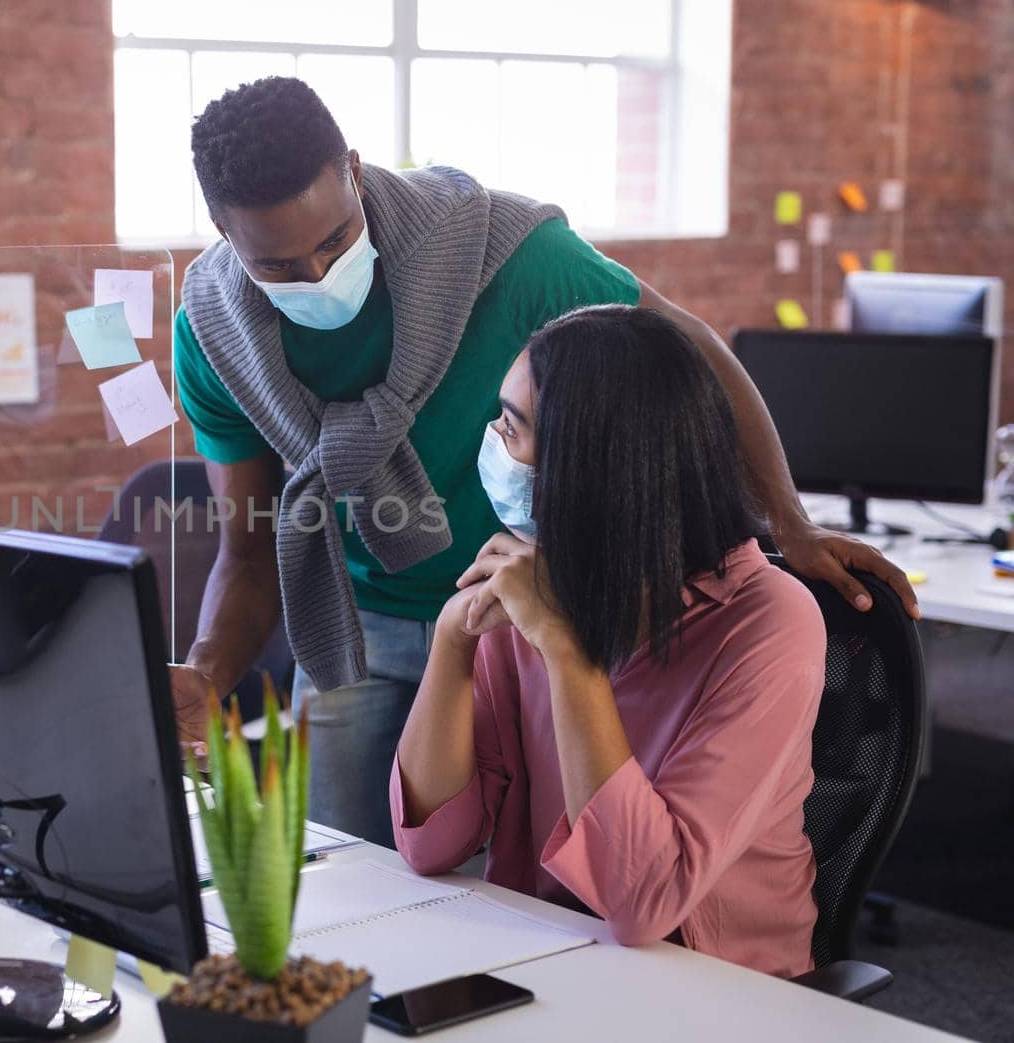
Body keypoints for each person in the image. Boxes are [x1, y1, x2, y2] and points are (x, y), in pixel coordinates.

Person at [171, 75, 913, 848]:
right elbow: (250, 551)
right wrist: (205, 671)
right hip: (357, 626)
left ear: (354, 172)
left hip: (528, 611)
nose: (319, 277)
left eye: (333, 242)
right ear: (224, 233)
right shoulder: (215, 336)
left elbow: (690, 359)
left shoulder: (502, 253)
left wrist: (788, 525)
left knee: (530, 872)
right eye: (281, 267)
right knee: (345, 876)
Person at [393, 305, 824, 978]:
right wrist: (453, 638)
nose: (493, 442)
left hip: (718, 989)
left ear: (591, 464)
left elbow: (642, 900)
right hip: (553, 958)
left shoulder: (769, 622)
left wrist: (566, 651)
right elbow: (430, 843)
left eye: (513, 426)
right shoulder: (536, 586)